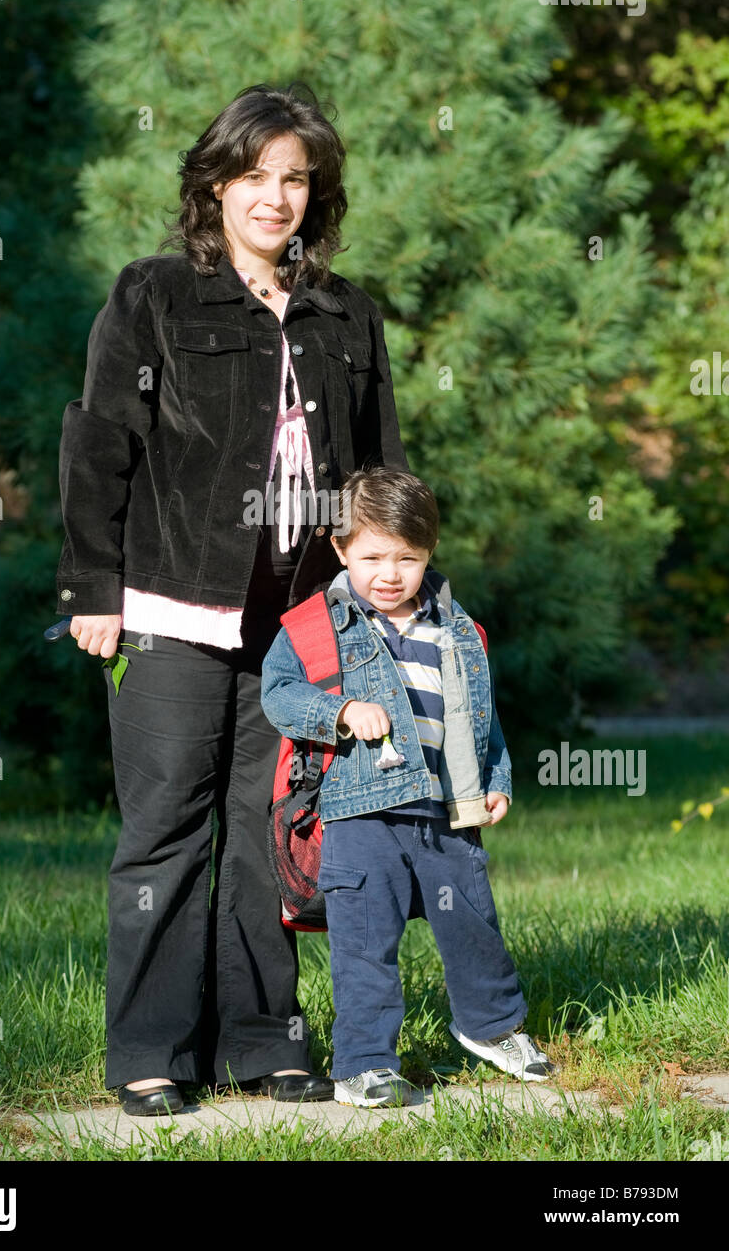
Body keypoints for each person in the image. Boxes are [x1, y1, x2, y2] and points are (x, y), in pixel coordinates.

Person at [54, 83, 410, 1114]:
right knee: (166, 827)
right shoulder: (154, 295)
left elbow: (378, 467)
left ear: (318, 195)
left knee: (273, 830)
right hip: (171, 610)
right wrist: (92, 584)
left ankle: (268, 1041)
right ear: (214, 185)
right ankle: (152, 1054)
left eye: (296, 178)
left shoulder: (348, 313)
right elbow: (99, 444)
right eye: (254, 175)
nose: (275, 196)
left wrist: (379, 598)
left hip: (300, 622)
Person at [260, 466, 554, 1107]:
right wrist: (336, 713)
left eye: (408, 558)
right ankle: (365, 1064)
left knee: (474, 922)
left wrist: (496, 780)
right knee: (365, 940)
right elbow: (277, 695)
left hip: (446, 809)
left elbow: (483, 718)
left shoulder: (457, 630)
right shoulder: (314, 628)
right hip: (360, 814)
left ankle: (492, 1027)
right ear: (340, 550)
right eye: (371, 557)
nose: (389, 574)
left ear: (429, 555)